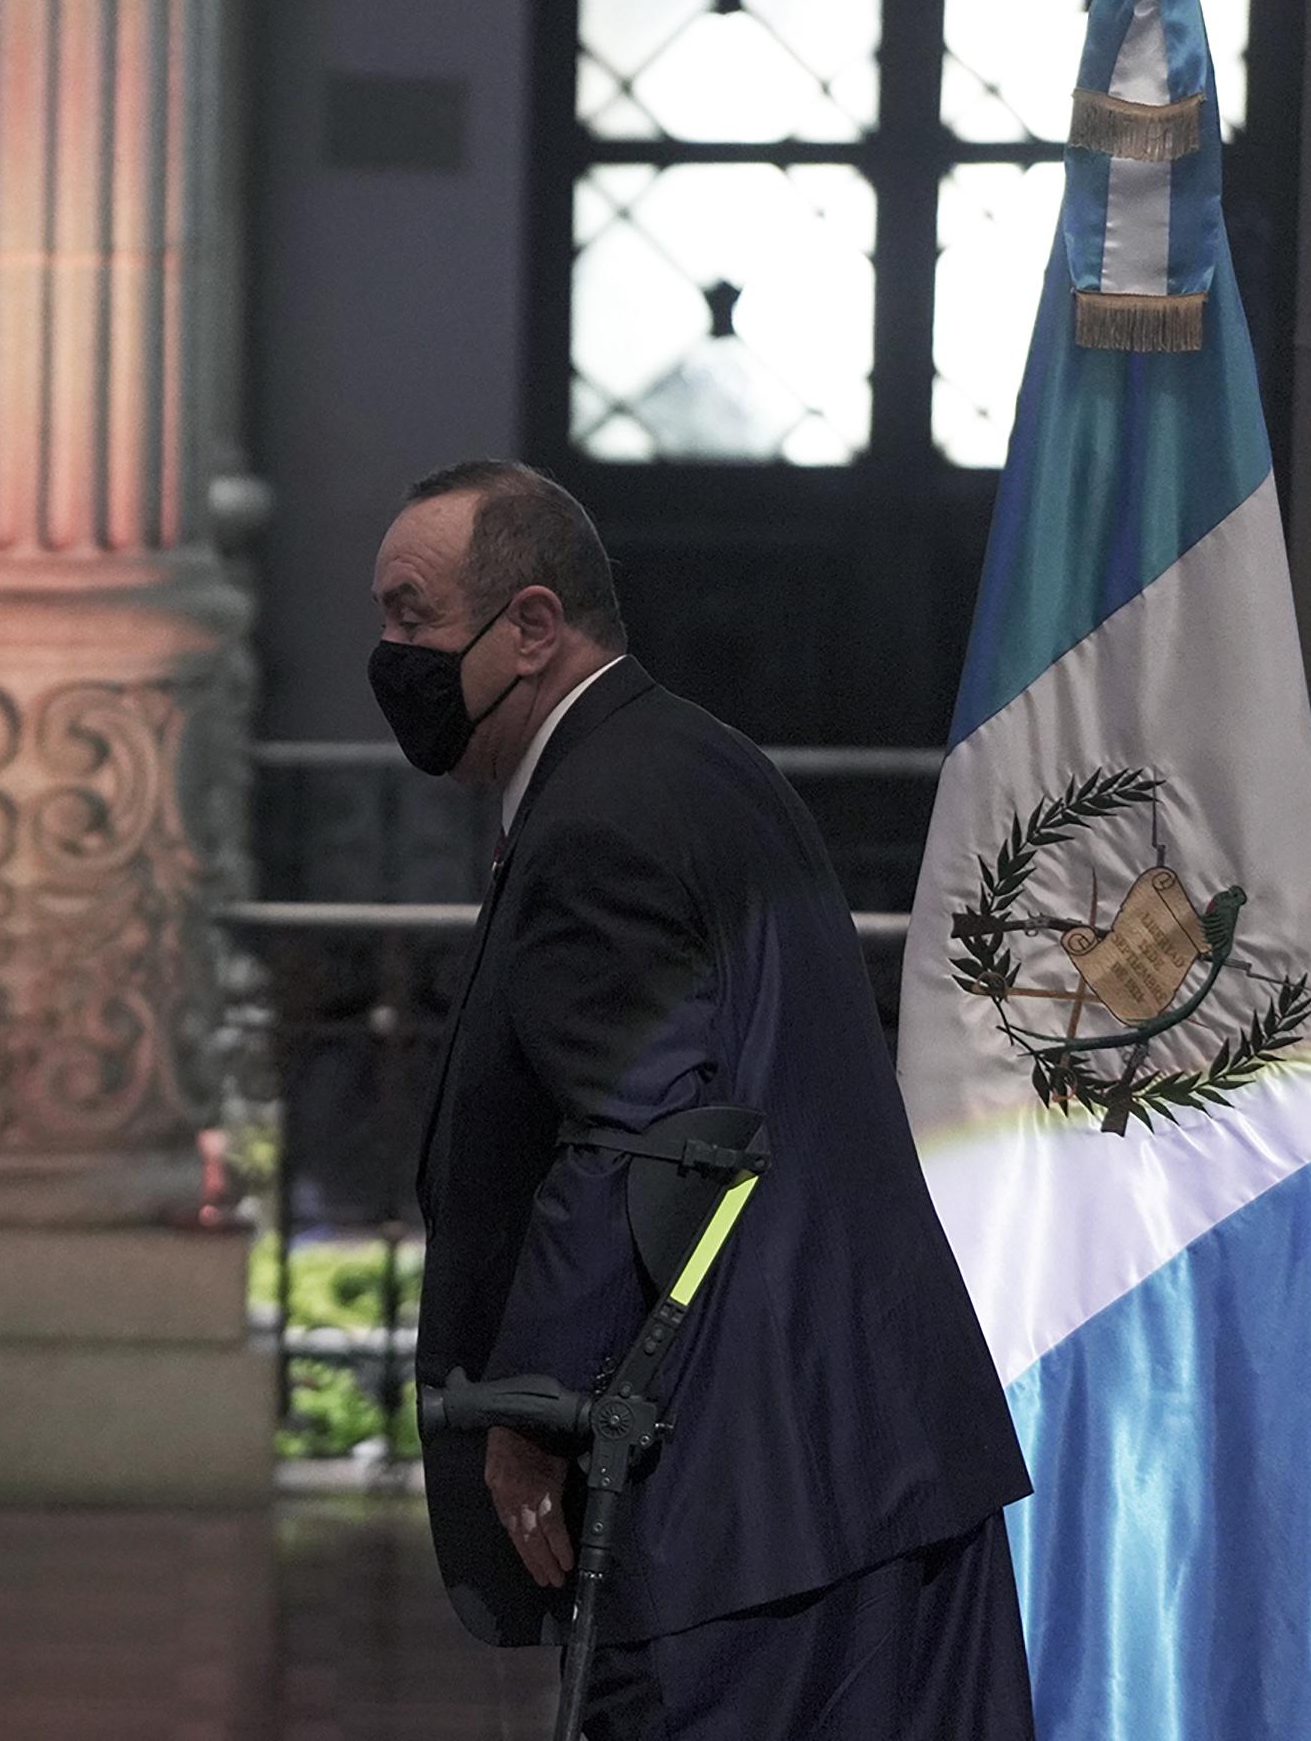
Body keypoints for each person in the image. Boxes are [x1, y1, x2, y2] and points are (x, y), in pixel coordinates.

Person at [367, 461, 1036, 1739]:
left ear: (532, 625)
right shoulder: (697, 759)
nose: (390, 653)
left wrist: (527, 1410)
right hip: (874, 1460)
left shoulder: (596, 819)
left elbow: (644, 1137)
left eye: (412, 614)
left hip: (745, 1506)